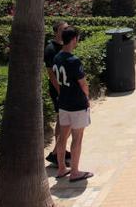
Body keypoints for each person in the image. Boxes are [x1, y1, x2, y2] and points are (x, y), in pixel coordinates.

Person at [52, 27, 93, 182]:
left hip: (63, 103)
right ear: (74, 39)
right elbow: (83, 84)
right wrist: (87, 99)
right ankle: (75, 172)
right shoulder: (73, 60)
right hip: (77, 104)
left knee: (62, 137)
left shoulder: (57, 57)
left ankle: (62, 168)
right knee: (77, 138)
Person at [44, 22, 71, 168]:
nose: (66, 31)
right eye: (63, 29)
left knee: (62, 120)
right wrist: (61, 91)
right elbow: (51, 74)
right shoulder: (50, 49)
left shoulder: (64, 45)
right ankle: (56, 153)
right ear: (56, 32)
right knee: (64, 121)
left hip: (65, 88)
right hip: (58, 90)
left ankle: (60, 150)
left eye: (67, 28)